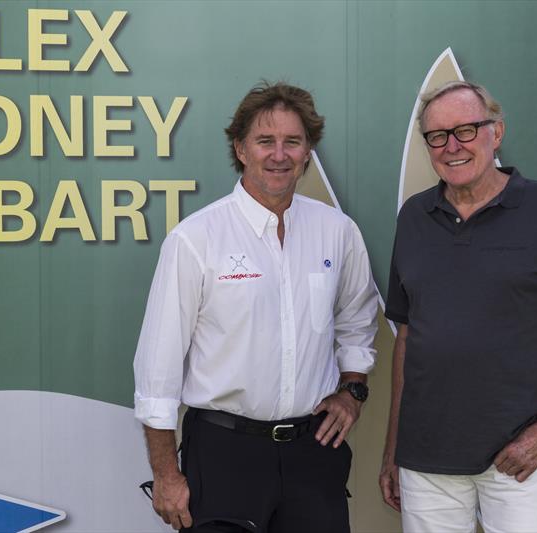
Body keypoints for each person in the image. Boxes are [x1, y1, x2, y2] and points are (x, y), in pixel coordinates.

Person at [134, 82, 379, 532]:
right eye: (266, 141)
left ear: (308, 151)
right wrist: (166, 475)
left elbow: (358, 319)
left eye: (293, 142)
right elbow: (157, 371)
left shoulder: (337, 232)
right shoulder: (195, 239)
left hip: (313, 452)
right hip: (225, 454)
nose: (279, 155)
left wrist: (353, 391)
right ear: (241, 149)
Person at [379, 80, 537, 533]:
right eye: (437, 136)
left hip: (517, 459)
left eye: (467, 130)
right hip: (426, 461)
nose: (452, 146)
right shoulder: (414, 217)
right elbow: (408, 338)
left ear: (497, 133)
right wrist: (395, 445)